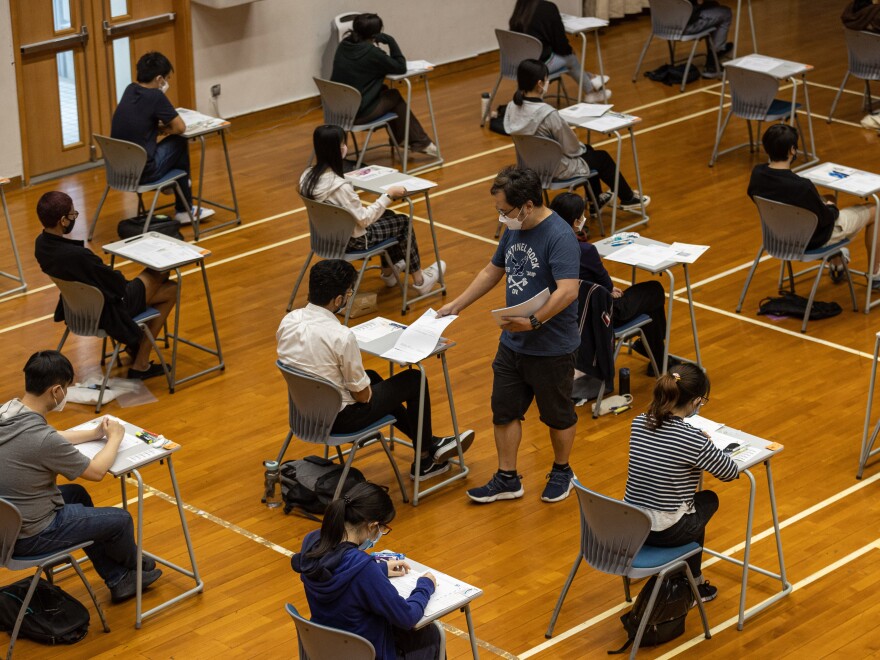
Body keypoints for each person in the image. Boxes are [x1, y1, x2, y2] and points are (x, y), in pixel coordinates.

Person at [437, 166, 580, 504]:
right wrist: (457, 304)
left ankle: (562, 471)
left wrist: (533, 321)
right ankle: (507, 478)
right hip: (513, 342)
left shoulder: (559, 236)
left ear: (528, 205)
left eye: (505, 211)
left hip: (551, 347)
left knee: (557, 416)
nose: (502, 217)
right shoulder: (515, 229)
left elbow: (568, 291)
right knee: (504, 411)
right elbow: (493, 269)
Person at [277, 259, 474, 480]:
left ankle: (430, 446)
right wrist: (370, 391)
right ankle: (425, 458)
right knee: (414, 379)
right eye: (349, 293)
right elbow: (362, 396)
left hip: (305, 414)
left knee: (371, 377)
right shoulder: (341, 336)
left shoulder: (288, 321)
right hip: (339, 421)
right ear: (338, 300)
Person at [0, 350, 162, 603]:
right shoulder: (43, 440)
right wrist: (116, 437)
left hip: (7, 528)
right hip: (32, 536)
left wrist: (95, 434)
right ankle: (134, 564)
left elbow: (52, 438)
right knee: (120, 520)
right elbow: (96, 472)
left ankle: (120, 578)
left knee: (77, 495)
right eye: (65, 388)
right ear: (56, 391)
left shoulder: (8, 411)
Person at [623, 364, 738, 602]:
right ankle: (693, 585)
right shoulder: (692, 439)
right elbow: (729, 472)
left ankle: (689, 579)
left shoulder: (638, 422)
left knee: (691, 507)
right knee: (706, 501)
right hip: (665, 532)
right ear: (695, 401)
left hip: (632, 526)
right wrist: (704, 446)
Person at [34, 191, 176, 379]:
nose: (74, 218)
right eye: (72, 215)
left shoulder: (41, 245)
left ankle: (138, 353)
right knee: (160, 272)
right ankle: (140, 361)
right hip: (108, 311)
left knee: (170, 290)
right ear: (63, 221)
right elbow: (117, 284)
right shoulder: (78, 256)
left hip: (77, 310)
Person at [292, 482, 442, 659]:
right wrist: (425, 586)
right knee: (431, 635)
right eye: (382, 529)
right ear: (372, 526)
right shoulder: (363, 568)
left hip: (325, 649)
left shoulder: (313, 541)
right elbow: (406, 617)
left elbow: (336, 570)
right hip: (367, 653)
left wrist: (381, 569)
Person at [300, 125, 445, 296]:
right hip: (355, 242)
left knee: (389, 216)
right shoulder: (341, 187)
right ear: (339, 149)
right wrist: (388, 195)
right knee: (403, 222)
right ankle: (420, 280)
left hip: (325, 238)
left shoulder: (307, 176)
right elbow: (364, 220)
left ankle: (389, 272)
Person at [504, 59, 650, 215]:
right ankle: (628, 198)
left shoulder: (511, 107)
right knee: (601, 158)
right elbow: (572, 148)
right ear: (540, 83)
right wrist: (582, 148)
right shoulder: (547, 113)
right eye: (547, 80)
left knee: (589, 151)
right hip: (556, 169)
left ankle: (596, 200)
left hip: (531, 168)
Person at [549, 193, 667, 374]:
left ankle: (656, 355)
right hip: (603, 314)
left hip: (569, 313)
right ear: (575, 222)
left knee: (648, 303)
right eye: (581, 216)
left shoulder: (548, 246)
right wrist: (610, 289)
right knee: (654, 290)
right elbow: (606, 283)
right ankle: (657, 356)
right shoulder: (585, 251)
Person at [747, 124, 879, 286]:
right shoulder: (802, 187)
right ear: (792, 151)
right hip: (810, 241)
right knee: (875, 209)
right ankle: (875, 273)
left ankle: (837, 263)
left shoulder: (757, 174)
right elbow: (827, 219)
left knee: (829, 196)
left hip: (778, 237)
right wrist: (831, 208)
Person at [111, 51, 213, 226]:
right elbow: (180, 127)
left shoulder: (130, 89)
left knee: (172, 143)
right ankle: (183, 208)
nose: (167, 83)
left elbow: (136, 122)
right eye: (167, 78)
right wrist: (167, 128)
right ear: (159, 79)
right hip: (144, 174)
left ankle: (175, 186)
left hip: (118, 172)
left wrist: (158, 129)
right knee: (180, 140)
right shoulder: (156, 96)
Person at [331, 13, 437, 157]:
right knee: (393, 96)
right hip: (357, 115)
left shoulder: (343, 45)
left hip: (336, 111)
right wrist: (392, 42)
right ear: (376, 34)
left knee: (385, 91)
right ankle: (418, 141)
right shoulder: (372, 53)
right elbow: (400, 67)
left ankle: (407, 139)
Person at [509, 0, 612, 102]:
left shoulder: (521, 6)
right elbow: (560, 43)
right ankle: (591, 91)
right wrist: (569, 50)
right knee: (570, 58)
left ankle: (592, 78)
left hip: (517, 65)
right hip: (538, 66)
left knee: (566, 59)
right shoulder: (548, 7)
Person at [684, 1, 734, 78]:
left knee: (712, 5)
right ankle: (713, 62)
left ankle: (714, 53)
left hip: (666, 24)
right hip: (686, 25)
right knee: (726, 13)